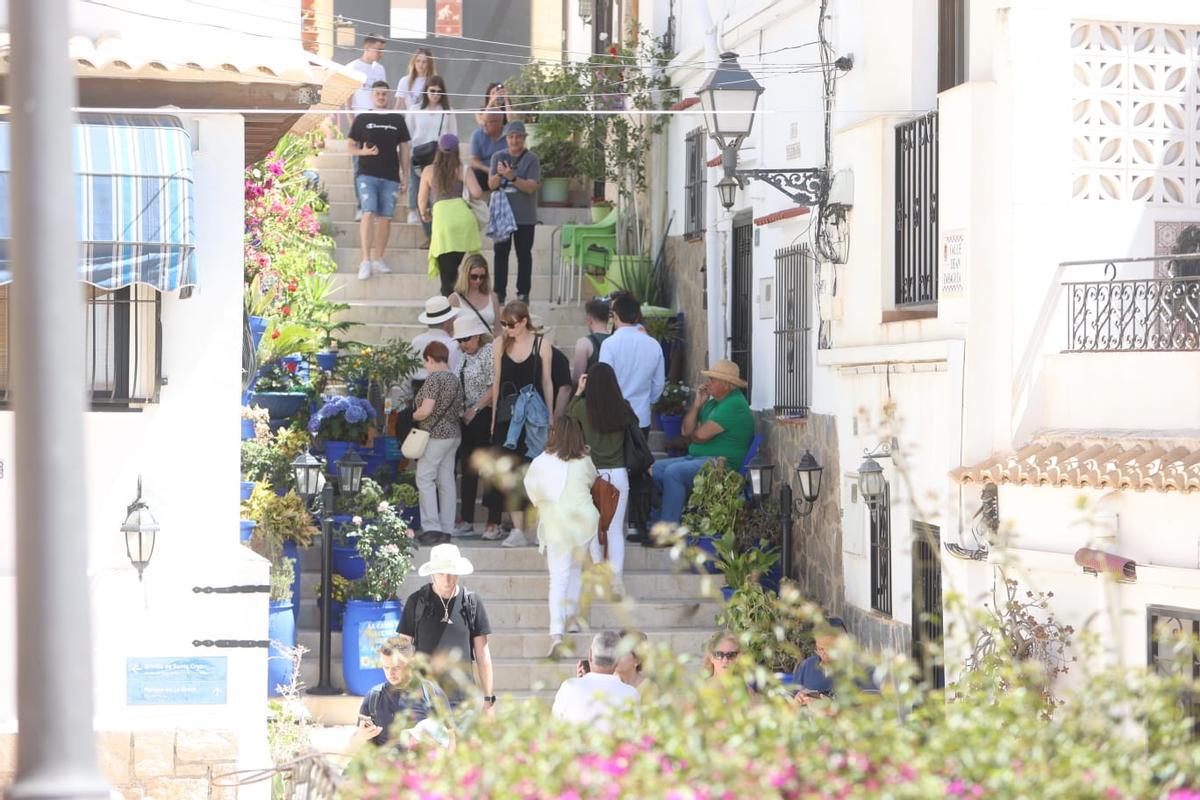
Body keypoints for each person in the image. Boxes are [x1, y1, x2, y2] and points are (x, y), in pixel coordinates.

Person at [524, 416, 600, 658]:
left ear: (553, 433)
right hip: (585, 523)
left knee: (558, 579)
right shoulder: (585, 460)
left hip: (558, 526)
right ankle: (572, 620)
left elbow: (532, 493)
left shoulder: (540, 461)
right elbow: (592, 480)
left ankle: (557, 635)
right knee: (575, 571)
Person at [651, 359, 756, 524]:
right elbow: (686, 431)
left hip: (721, 465)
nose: (708, 383)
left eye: (713, 379)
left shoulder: (734, 404)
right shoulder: (713, 403)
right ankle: (660, 519)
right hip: (699, 458)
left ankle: (669, 528)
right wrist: (697, 404)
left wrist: (693, 434)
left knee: (674, 473)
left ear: (726, 384)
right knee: (654, 469)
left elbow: (699, 436)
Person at [397, 544, 496, 710]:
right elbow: (402, 649)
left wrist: (488, 699)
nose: (446, 579)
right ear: (432, 573)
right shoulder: (416, 602)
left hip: (464, 702)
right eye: (441, 573)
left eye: (451, 572)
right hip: (424, 699)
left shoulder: (472, 603)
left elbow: (483, 655)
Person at [489, 301, 554, 547]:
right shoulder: (499, 344)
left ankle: (535, 526)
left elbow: (547, 382)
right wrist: (493, 417)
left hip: (533, 418)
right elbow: (496, 381)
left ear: (524, 321)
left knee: (534, 472)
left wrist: (551, 417)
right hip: (508, 418)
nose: (507, 328)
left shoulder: (541, 345)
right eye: (504, 324)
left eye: (511, 324)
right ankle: (517, 529)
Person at [568, 363, 638, 585]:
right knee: (615, 530)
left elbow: (566, 421)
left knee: (591, 526)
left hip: (592, 475)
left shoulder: (582, 408)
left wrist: (578, 392)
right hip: (618, 474)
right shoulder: (623, 408)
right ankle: (615, 581)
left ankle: (598, 565)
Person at [348, 81, 411, 281]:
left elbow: (404, 149)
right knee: (368, 212)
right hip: (367, 175)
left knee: (386, 217)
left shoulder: (397, 119)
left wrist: (405, 175)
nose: (381, 97)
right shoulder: (362, 118)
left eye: (384, 94)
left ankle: (378, 259)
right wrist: (363, 152)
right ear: (372, 95)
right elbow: (350, 145)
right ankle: (365, 260)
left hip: (391, 176)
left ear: (388, 96)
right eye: (378, 93)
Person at [452, 313, 501, 538]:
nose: (464, 344)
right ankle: (467, 519)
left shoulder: (489, 352)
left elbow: (494, 385)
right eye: (460, 340)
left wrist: (476, 409)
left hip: (484, 414)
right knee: (468, 470)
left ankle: (493, 521)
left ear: (478, 336)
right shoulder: (463, 358)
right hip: (467, 417)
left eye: (467, 339)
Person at [350, 637, 448, 749]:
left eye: (396, 667)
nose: (390, 673)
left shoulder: (431, 693)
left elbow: (451, 738)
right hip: (384, 759)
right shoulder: (374, 697)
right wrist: (361, 736)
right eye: (386, 667)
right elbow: (354, 745)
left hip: (421, 759)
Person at [412, 341, 464, 544]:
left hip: (436, 435)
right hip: (453, 435)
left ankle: (431, 527)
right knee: (447, 481)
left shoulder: (434, 379)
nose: (426, 366)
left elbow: (426, 410)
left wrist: (414, 415)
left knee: (424, 478)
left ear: (430, 359)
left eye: (426, 362)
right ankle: (447, 528)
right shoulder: (455, 379)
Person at [419, 133, 483, 296]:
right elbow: (477, 193)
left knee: (447, 275)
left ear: (438, 150)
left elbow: (421, 200)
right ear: (457, 151)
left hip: (443, 223)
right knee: (454, 267)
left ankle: (450, 305)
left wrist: (425, 214)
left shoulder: (428, 171)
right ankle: (457, 299)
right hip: (463, 222)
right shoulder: (463, 170)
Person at [488, 120, 541, 304]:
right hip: (502, 215)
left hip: (525, 217)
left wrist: (512, 177)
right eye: (511, 137)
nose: (514, 140)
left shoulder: (532, 159)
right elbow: (491, 185)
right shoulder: (497, 156)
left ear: (524, 138)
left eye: (518, 137)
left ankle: (523, 293)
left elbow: (531, 187)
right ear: (506, 139)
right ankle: (499, 293)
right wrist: (499, 175)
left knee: (524, 255)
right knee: (500, 254)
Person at [598, 293, 664, 433]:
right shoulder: (653, 344)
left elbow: (604, 381)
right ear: (637, 315)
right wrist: (648, 401)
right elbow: (658, 384)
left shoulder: (609, 344)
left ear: (615, 315)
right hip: (642, 416)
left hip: (614, 416)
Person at [552, 631, 640, 728]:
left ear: (590, 655)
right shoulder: (631, 693)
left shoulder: (569, 687)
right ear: (618, 659)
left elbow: (554, 727)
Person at [407, 75, 457, 247]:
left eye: (439, 91)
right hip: (418, 158)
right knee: (421, 196)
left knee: (437, 198)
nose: (435, 94)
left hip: (440, 159)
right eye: (432, 91)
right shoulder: (415, 110)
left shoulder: (448, 111)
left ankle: (437, 235)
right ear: (426, 91)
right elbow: (409, 135)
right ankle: (430, 235)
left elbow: (453, 136)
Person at [399, 297, 462, 421]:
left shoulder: (416, 341)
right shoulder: (452, 345)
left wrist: (408, 401)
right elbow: (456, 378)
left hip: (417, 402)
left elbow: (407, 377)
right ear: (447, 321)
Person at [449, 253, 502, 335]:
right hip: (464, 341)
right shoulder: (454, 299)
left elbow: (498, 329)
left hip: (489, 341)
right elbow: (449, 330)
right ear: (465, 275)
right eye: (474, 277)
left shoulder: (492, 297)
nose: (478, 280)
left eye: (482, 277)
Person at [573, 298, 611, 382]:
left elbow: (577, 378)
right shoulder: (616, 340)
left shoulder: (584, 343)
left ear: (589, 320)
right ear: (608, 319)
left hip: (592, 389)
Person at [469, 113, 506, 194]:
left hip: (505, 171)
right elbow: (473, 161)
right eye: (483, 121)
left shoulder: (509, 135)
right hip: (485, 172)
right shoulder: (477, 134)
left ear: (499, 123)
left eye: (489, 122)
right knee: (474, 176)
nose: (484, 125)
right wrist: (488, 170)